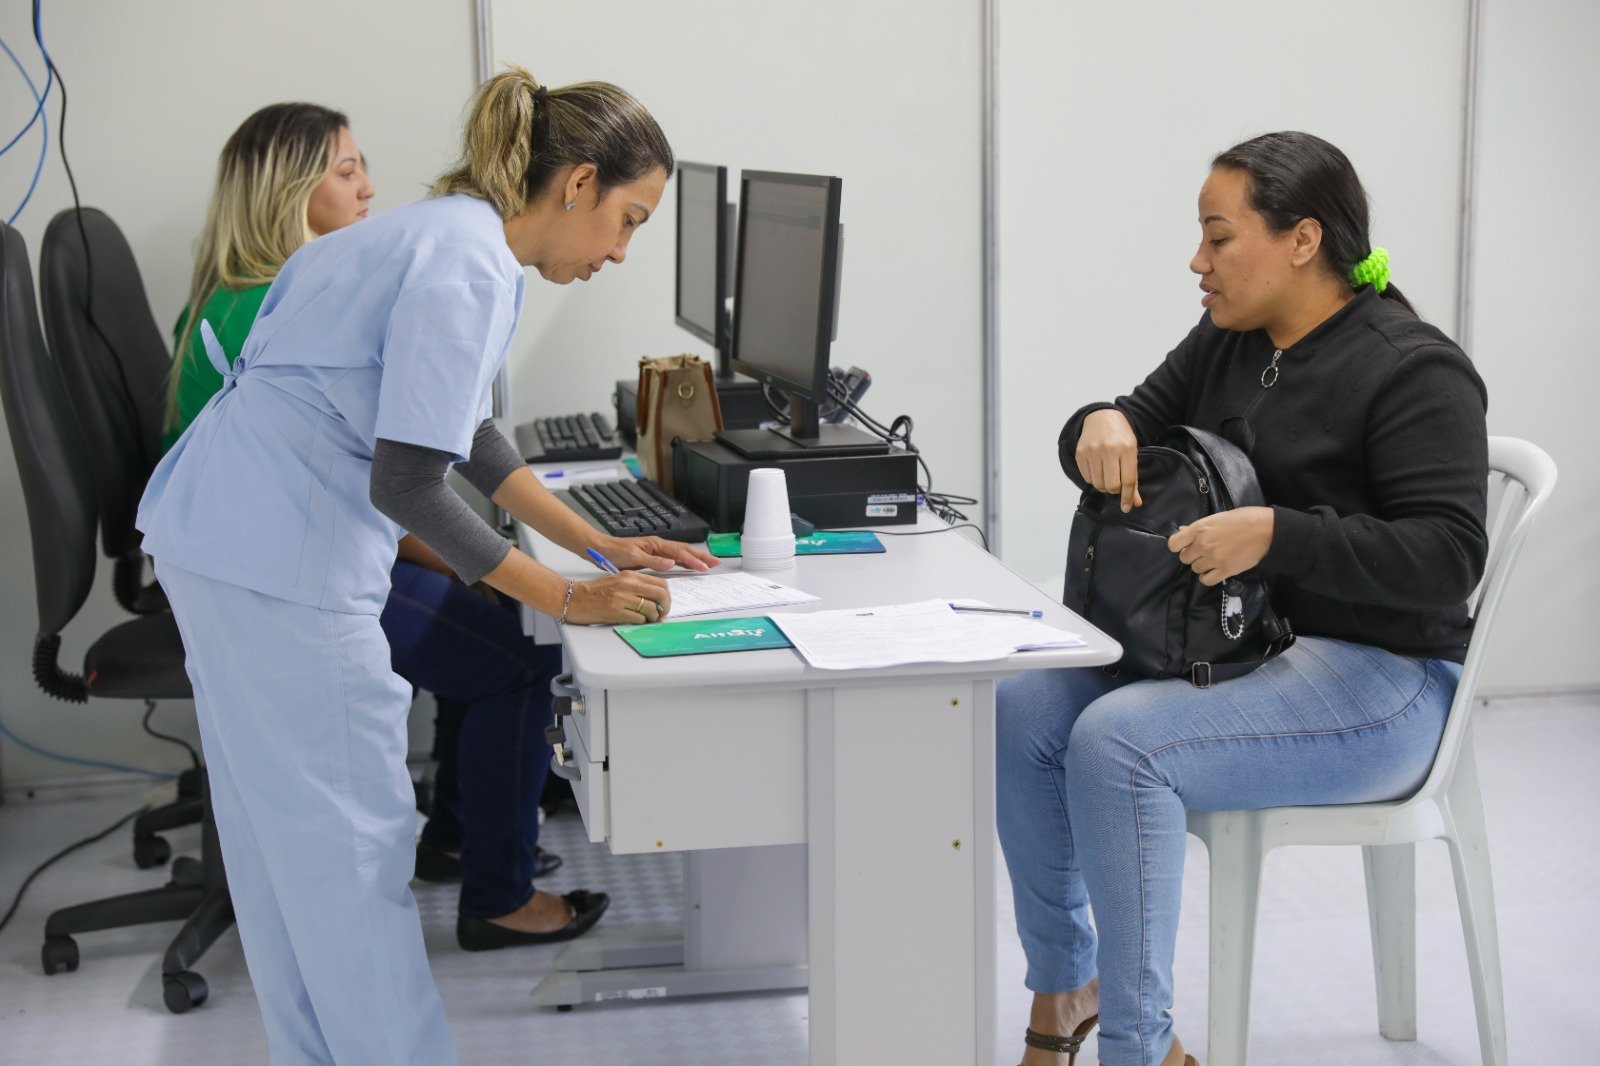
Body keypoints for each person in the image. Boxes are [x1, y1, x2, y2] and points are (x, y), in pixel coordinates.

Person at [138, 67, 714, 1065]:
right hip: (277, 565)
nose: (622, 251)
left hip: (221, 538)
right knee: (352, 855)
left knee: (285, 854)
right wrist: (563, 595)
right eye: (626, 220)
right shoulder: (470, 266)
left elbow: (461, 427)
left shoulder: (445, 230)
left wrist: (593, 537)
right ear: (575, 184)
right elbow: (409, 482)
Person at [996, 131, 1488, 1066]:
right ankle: (1064, 992)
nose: (1198, 262)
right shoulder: (1229, 339)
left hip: (1388, 681)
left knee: (1118, 741)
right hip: (1243, 646)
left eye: (1219, 238)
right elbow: (1114, 438)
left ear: (1302, 240)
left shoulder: (1413, 368)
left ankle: (1139, 1050)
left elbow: (1447, 558)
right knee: (1024, 706)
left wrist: (1276, 533)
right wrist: (1095, 422)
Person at [162, 102, 573, 955]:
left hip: (284, 548)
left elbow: (442, 427)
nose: (370, 187)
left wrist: (542, 548)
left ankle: (463, 838)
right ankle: (497, 890)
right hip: (281, 566)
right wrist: (510, 568)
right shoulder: (275, 298)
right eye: (346, 171)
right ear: (286, 189)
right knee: (515, 658)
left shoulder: (308, 282)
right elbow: (393, 480)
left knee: (499, 631)